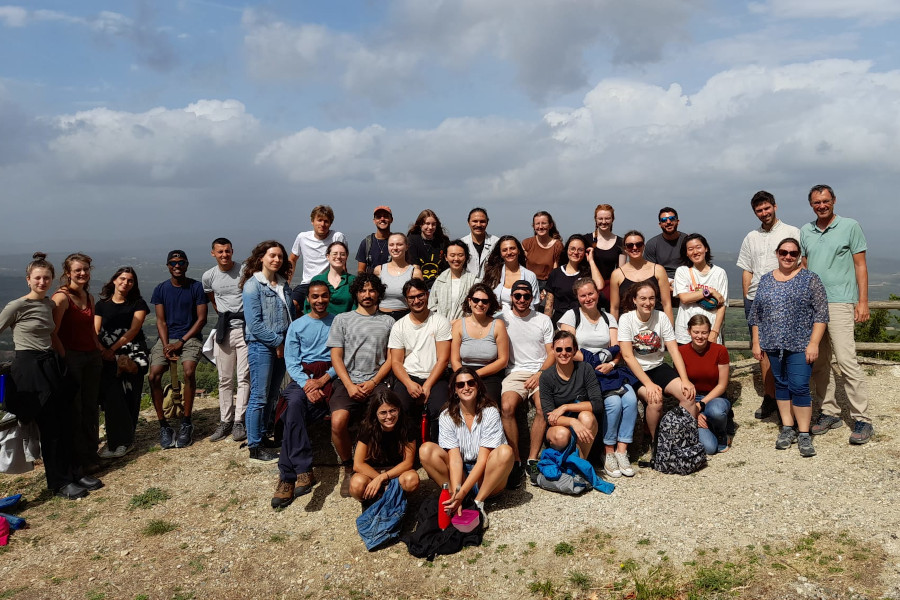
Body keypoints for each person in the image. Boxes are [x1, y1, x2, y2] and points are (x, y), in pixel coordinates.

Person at [0, 253, 102, 499]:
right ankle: (58, 482)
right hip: (29, 365)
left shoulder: (48, 304)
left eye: (46, 278)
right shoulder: (17, 305)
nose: (42, 282)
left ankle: (75, 473)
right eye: (37, 278)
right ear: (28, 280)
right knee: (50, 427)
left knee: (66, 421)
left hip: (50, 363)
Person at [800, 184, 874, 445]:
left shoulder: (850, 226)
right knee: (819, 362)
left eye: (825, 201)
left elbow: (860, 265)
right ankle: (829, 411)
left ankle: (862, 418)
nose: (821, 206)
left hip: (841, 301)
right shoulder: (805, 231)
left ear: (834, 201)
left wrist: (862, 301)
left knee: (846, 360)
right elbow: (805, 265)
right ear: (811, 205)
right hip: (814, 304)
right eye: (816, 202)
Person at [750, 238, 828, 457]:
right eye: (784, 252)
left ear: (798, 256)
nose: (788, 256)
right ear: (777, 253)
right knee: (781, 385)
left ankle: (803, 433)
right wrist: (756, 342)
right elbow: (756, 314)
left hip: (801, 344)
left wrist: (814, 343)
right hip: (773, 344)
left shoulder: (810, 279)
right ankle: (787, 428)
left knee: (800, 386)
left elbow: (821, 314)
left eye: (793, 253)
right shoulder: (766, 280)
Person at [558, 278, 638, 477]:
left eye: (591, 293)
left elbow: (617, 348)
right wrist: (594, 361)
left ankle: (622, 450)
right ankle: (608, 452)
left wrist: (611, 363)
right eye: (583, 295)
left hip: (609, 369)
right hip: (585, 370)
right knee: (612, 403)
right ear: (577, 298)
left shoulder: (608, 318)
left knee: (630, 399)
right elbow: (568, 349)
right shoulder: (571, 316)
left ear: (597, 293)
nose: (588, 298)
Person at [327, 273, 396, 497]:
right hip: (348, 382)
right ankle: (349, 466)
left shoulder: (388, 321)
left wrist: (374, 381)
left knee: (386, 416)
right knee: (338, 421)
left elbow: (392, 358)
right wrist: (348, 385)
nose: (367, 295)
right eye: (363, 290)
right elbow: (336, 357)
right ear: (356, 293)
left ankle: (382, 464)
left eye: (372, 290)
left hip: (377, 381)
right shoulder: (342, 320)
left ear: (378, 294)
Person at [419, 368, 514, 530]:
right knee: (426, 449)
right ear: (455, 390)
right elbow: (455, 459)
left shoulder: (490, 412)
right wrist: (458, 493)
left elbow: (484, 459)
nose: (466, 387)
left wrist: (463, 493)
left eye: (471, 382)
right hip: (462, 471)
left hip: (487, 475)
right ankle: (453, 499)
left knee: (506, 451)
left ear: (478, 386)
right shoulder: (446, 416)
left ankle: (478, 502)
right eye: (460, 384)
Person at [736, 191, 800, 420]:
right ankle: (770, 396)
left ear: (775, 206)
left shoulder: (792, 233)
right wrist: (747, 299)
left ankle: (793, 395)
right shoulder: (751, 237)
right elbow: (747, 269)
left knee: (791, 347)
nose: (764, 213)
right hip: (756, 300)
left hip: (784, 298)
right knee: (762, 350)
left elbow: (801, 265)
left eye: (767, 208)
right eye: (759, 210)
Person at [271, 282, 336, 508]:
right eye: (315, 297)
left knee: (292, 412)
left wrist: (323, 379)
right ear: (309, 299)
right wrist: (308, 384)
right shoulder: (297, 326)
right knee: (294, 404)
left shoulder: (337, 322)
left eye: (324, 296)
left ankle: (287, 477)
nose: (320, 301)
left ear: (329, 297)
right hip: (304, 376)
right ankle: (302, 470)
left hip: (330, 376)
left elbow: (342, 357)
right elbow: (292, 360)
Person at [617, 279, 697, 443]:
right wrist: (648, 383)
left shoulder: (661, 317)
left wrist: (685, 379)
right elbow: (627, 356)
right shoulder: (626, 319)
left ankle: (687, 438)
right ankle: (657, 443)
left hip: (658, 366)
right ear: (634, 300)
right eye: (643, 298)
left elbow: (674, 350)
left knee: (688, 396)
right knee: (655, 400)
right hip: (636, 370)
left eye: (652, 298)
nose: (648, 303)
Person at [147, 250, 208, 450]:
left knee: (189, 370)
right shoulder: (161, 289)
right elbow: (161, 320)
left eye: (181, 262)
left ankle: (186, 422)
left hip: (189, 337)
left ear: (187, 264)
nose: (177, 266)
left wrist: (180, 342)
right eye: (173, 263)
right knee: (154, 375)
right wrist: (166, 345)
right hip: (167, 338)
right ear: (168, 266)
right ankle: (163, 425)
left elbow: (201, 320)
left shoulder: (196, 287)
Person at [498, 280, 554, 487]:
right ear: (511, 297)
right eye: (517, 296)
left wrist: (540, 374)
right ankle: (515, 460)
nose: (522, 300)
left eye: (526, 296)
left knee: (542, 408)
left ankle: (532, 458)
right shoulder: (502, 319)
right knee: (506, 407)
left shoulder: (543, 320)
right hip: (514, 372)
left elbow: (552, 354)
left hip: (540, 372)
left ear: (533, 298)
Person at [50, 252, 103, 473]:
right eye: (77, 270)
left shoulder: (89, 298)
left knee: (91, 408)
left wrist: (100, 351)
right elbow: (53, 332)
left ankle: (92, 455)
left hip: (91, 356)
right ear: (68, 273)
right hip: (71, 357)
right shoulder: (61, 298)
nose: (82, 273)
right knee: (76, 409)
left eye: (85, 270)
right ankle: (80, 460)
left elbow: (91, 330)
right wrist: (64, 357)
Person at [241, 241, 293, 462]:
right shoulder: (253, 285)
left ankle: (263, 436)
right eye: (272, 255)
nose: (276, 260)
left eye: (280, 256)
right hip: (261, 345)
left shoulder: (283, 284)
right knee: (259, 396)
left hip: (281, 344)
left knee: (272, 395)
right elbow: (255, 324)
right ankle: (254, 445)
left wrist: (287, 341)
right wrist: (277, 342)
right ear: (261, 257)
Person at [94, 267, 149, 458]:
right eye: (123, 279)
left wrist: (112, 349)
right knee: (112, 397)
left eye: (130, 280)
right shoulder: (101, 305)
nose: (126, 283)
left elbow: (134, 330)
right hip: (108, 354)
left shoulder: (138, 304)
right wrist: (103, 351)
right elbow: (95, 330)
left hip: (133, 352)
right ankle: (115, 441)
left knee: (130, 395)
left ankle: (126, 441)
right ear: (114, 280)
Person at [388, 279, 452, 443]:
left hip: (435, 376)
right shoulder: (399, 326)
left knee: (441, 409)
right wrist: (409, 384)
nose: (416, 301)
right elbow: (396, 362)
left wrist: (428, 385)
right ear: (406, 300)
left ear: (427, 295)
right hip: (408, 376)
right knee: (399, 407)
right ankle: (407, 453)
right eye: (411, 297)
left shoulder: (440, 321)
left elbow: (443, 359)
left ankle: (438, 451)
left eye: (420, 295)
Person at [202, 237, 250, 442]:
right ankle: (225, 421)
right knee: (225, 378)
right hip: (224, 330)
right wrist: (224, 315)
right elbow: (213, 299)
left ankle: (239, 421)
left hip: (245, 329)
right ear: (213, 253)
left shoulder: (244, 270)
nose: (224, 255)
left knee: (244, 377)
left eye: (227, 251)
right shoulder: (208, 276)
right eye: (220, 252)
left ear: (232, 251)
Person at [539, 331, 602, 460]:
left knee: (587, 417)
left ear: (575, 350)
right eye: (559, 349)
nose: (563, 353)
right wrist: (573, 422)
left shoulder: (585, 369)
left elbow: (597, 404)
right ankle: (566, 462)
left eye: (568, 349)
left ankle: (579, 465)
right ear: (553, 350)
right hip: (560, 425)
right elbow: (549, 416)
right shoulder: (546, 376)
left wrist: (566, 407)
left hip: (584, 424)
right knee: (561, 435)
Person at [349, 389, 420, 503]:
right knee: (356, 485)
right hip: (372, 471)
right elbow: (358, 464)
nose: (389, 416)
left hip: (396, 471)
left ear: (399, 410)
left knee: (412, 480)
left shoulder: (407, 426)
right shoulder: (367, 428)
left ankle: (396, 500)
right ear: (375, 414)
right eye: (383, 412)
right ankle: (375, 500)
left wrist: (383, 478)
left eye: (393, 411)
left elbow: (408, 462)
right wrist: (378, 478)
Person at [678, 315, 731, 455]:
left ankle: (721, 432)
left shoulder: (720, 351)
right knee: (709, 449)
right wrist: (694, 412)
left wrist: (699, 406)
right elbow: (680, 384)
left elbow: (722, 385)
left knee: (716, 412)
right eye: (696, 332)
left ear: (709, 332)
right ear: (689, 331)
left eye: (704, 332)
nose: (700, 336)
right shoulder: (681, 352)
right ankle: (710, 424)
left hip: (715, 397)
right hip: (690, 399)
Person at [450, 283, 510, 403]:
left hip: (490, 374)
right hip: (463, 372)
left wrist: (475, 375)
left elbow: (503, 360)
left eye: (484, 301)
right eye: (476, 300)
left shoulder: (498, 325)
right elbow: (455, 359)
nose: (480, 304)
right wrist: (464, 376)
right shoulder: (458, 325)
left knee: (488, 404)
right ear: (469, 301)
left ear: (489, 304)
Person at [673, 233, 728, 345]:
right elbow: (684, 298)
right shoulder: (682, 271)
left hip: (709, 332)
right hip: (685, 334)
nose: (695, 252)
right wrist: (710, 291)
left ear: (706, 248)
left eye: (699, 247)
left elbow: (722, 305)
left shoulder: (719, 273)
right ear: (686, 253)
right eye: (690, 249)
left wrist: (715, 332)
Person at [609, 230, 673, 324]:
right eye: (630, 245)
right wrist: (614, 333)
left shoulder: (658, 270)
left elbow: (666, 304)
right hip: (628, 326)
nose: (634, 248)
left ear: (643, 246)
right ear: (625, 249)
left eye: (638, 244)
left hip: (655, 324)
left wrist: (670, 331)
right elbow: (614, 308)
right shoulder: (617, 274)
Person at [288, 205, 346, 298]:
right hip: (307, 283)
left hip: (330, 284)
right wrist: (287, 282)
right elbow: (292, 259)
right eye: (319, 220)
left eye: (326, 221)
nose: (322, 224)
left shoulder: (337, 237)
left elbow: (342, 263)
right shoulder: (302, 238)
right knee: (293, 304)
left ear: (330, 223)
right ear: (312, 221)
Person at [544, 235, 602, 324]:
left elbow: (599, 286)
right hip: (560, 321)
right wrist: (546, 325)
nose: (575, 252)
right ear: (567, 250)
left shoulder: (588, 274)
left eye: (580, 250)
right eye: (572, 249)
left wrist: (591, 260)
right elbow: (549, 306)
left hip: (583, 320)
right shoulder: (556, 273)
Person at [482, 236, 539, 310]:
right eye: (504, 250)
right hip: (496, 319)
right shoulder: (492, 274)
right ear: (501, 254)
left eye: (512, 248)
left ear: (518, 250)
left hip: (522, 319)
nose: (509, 252)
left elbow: (533, 304)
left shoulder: (530, 276)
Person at [374, 233, 422, 320]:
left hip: (405, 318)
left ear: (406, 247)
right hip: (380, 318)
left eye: (399, 244)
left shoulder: (415, 272)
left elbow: (421, 300)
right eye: (391, 245)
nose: (395, 248)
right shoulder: (379, 270)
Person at [300, 241, 356, 315]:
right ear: (328, 256)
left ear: (346, 257)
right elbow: (308, 306)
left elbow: (356, 307)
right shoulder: (317, 280)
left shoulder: (353, 281)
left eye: (342, 254)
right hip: (321, 323)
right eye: (335, 254)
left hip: (346, 324)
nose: (338, 257)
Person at [587, 204, 626, 307]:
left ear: (612, 219)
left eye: (607, 218)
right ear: (595, 219)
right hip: (588, 288)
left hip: (610, 289)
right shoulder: (586, 240)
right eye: (600, 218)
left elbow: (621, 271)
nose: (603, 222)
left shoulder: (621, 242)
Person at [428, 240, 477, 321]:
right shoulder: (440, 281)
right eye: (452, 255)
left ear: (466, 257)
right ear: (446, 257)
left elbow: (478, 308)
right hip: (441, 327)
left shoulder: (474, 281)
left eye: (460, 255)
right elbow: (431, 307)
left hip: (465, 328)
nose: (456, 259)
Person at [522, 211, 563, 307]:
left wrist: (545, 291)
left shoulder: (557, 246)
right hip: (529, 283)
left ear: (550, 225)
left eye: (544, 223)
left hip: (548, 285)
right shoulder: (527, 243)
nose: (540, 227)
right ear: (533, 226)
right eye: (537, 224)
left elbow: (556, 272)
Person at [407, 209, 450, 288]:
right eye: (427, 224)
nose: (430, 227)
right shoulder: (412, 240)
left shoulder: (443, 241)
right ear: (420, 224)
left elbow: (447, 267)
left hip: (440, 285)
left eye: (433, 224)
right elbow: (415, 266)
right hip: (421, 285)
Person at [644, 207, 687, 280]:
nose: (668, 222)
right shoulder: (652, 244)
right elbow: (649, 271)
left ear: (678, 221)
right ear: (660, 224)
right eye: (664, 220)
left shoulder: (688, 241)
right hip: (662, 280)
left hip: (686, 278)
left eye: (672, 218)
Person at [461, 207, 500, 280]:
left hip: (490, 287)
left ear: (487, 223)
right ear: (468, 223)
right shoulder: (461, 244)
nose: (478, 225)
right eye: (475, 221)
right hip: (467, 286)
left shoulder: (496, 242)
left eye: (482, 221)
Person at [356, 206, 394, 275]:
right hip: (372, 284)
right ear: (374, 221)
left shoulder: (397, 242)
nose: (382, 219)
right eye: (378, 217)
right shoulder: (366, 243)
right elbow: (361, 270)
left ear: (391, 219)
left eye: (385, 216)